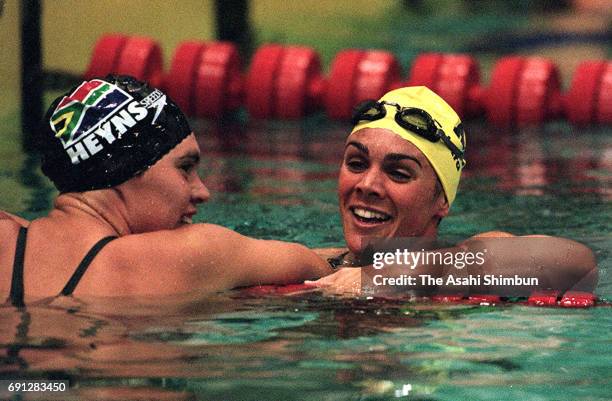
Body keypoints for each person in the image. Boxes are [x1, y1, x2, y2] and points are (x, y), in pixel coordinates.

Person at [0, 75, 332, 307]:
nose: (202, 192)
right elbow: (330, 270)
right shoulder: (191, 253)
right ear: (129, 169)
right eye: (185, 168)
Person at [309, 86, 598, 296]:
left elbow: (578, 264)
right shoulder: (324, 266)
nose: (367, 185)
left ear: (442, 200)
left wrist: (384, 275)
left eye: (398, 173)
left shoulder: (466, 259)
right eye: (357, 163)